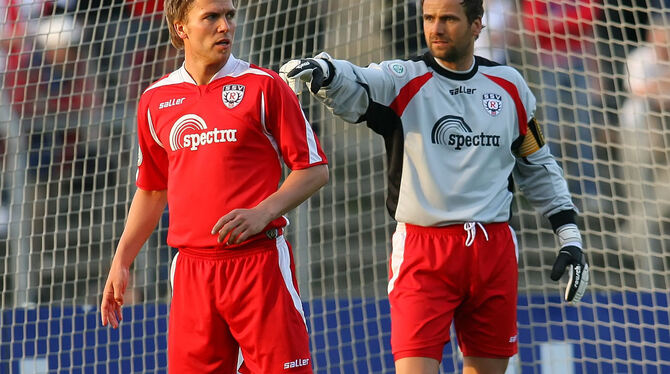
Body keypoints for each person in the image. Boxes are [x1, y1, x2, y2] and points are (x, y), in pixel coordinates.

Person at [279, 0, 588, 373]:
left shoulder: (511, 87)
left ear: (477, 25)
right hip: (424, 252)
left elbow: (537, 165)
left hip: (493, 250)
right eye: (429, 18)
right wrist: (326, 71)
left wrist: (569, 236)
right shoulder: (404, 78)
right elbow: (359, 80)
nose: (435, 28)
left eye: (448, 19)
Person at [99, 0, 329, 373]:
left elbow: (315, 169)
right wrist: (122, 261)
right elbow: (153, 190)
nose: (225, 26)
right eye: (211, 17)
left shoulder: (264, 86)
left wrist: (264, 211)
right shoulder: (154, 100)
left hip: (260, 266)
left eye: (229, 16)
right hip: (192, 273)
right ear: (181, 28)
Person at [619, 11, 670, 289]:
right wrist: (660, 86)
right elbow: (640, 91)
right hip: (637, 134)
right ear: (652, 35)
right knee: (639, 200)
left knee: (652, 207)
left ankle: (628, 235)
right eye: (662, 36)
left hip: (665, 135)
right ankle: (648, 280)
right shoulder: (639, 57)